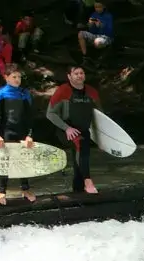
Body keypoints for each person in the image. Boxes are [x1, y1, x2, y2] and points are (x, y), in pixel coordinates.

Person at [46, 64, 101, 194]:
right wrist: (67, 128)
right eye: (76, 73)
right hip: (65, 130)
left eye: (81, 73)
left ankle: (78, 191)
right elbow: (50, 114)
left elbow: (99, 116)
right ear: (69, 76)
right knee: (80, 144)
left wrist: (102, 140)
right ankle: (88, 181)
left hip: (84, 130)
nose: (79, 75)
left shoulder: (92, 92)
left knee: (80, 159)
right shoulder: (63, 90)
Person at [0, 63, 35, 204]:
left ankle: (25, 189)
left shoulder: (24, 94)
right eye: (14, 77)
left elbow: (29, 117)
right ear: (6, 77)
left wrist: (29, 134)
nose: (17, 79)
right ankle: (2, 191)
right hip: (6, 132)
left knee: (22, 160)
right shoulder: (0, 94)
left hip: (22, 132)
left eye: (19, 77)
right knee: (4, 161)